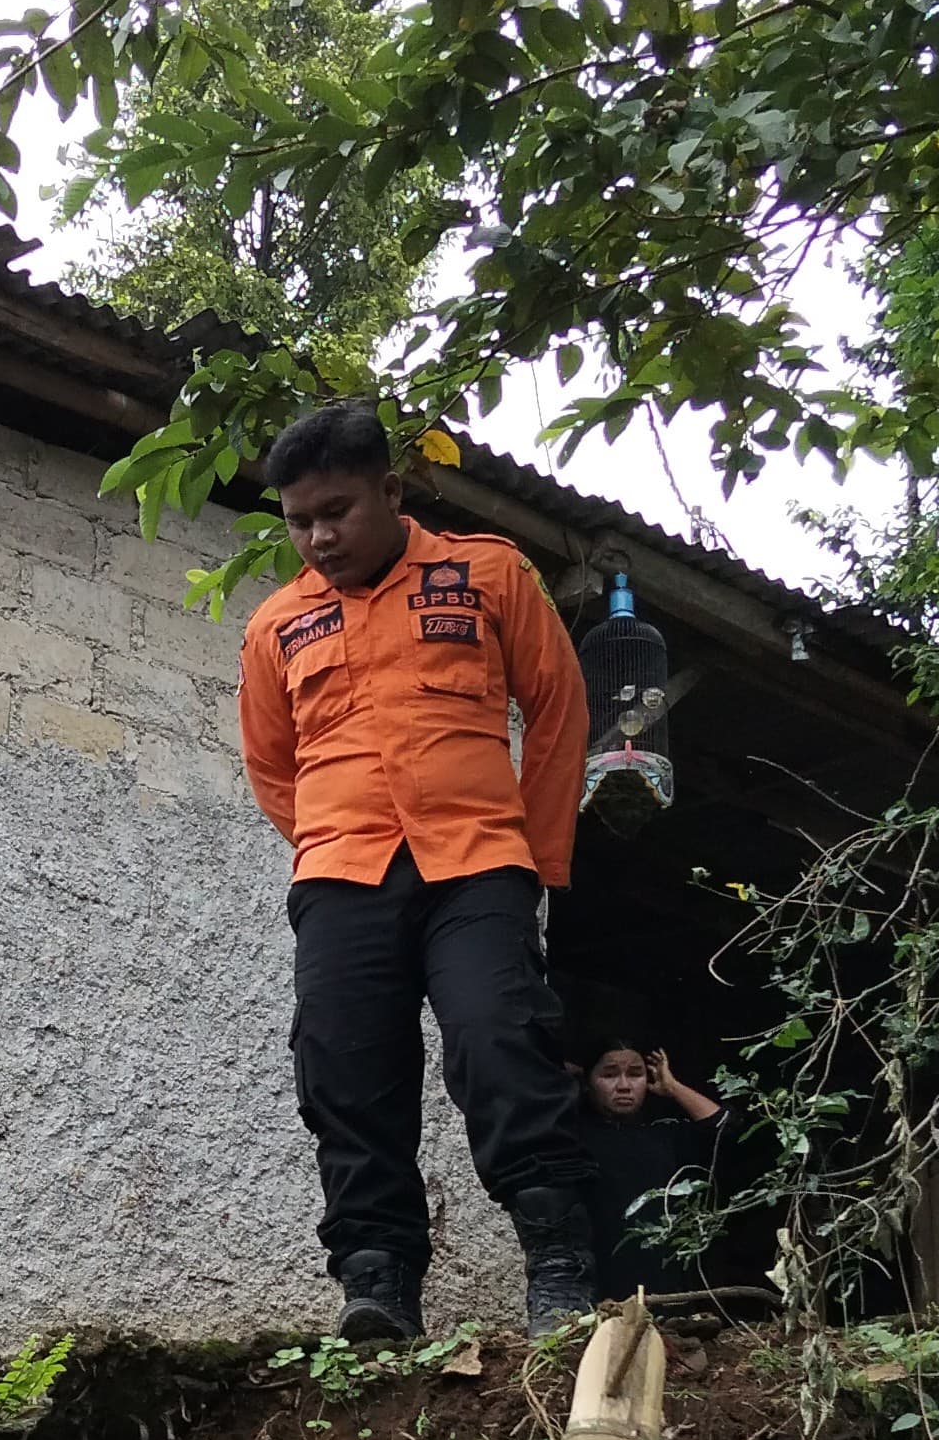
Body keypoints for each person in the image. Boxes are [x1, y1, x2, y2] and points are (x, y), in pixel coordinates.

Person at [238, 400, 599, 1336]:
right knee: (344, 1070)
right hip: (342, 878)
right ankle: (377, 1283)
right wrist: (328, 842)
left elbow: (558, 714)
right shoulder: (276, 625)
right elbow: (272, 766)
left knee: (498, 1039)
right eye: (299, 521)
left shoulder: (488, 573)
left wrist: (538, 857)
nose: (318, 537)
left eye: (338, 511)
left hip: (478, 863)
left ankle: (558, 1262)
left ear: (391, 491)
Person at [573, 1041, 724, 1294]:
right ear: (588, 1083)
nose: (623, 1086)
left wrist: (673, 1087)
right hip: (599, 1280)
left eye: (635, 1074)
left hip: (665, 1281)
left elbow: (723, 1127)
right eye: (609, 1075)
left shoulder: (666, 1134)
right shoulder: (574, 1137)